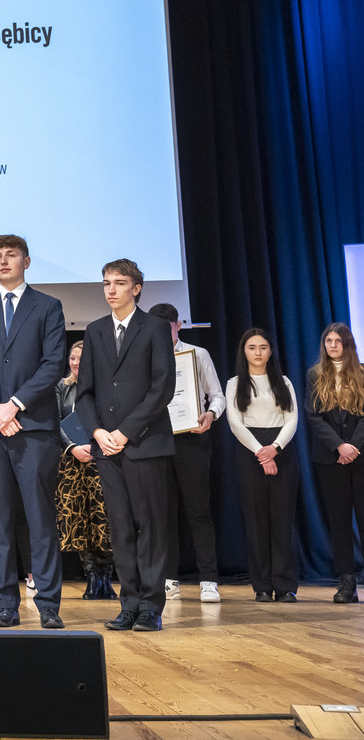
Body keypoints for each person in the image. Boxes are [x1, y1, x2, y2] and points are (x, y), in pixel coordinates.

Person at [0, 234, 67, 629]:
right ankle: (6, 604)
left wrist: (15, 405)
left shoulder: (48, 306)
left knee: (40, 517)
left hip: (33, 427)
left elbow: (53, 363)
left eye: (11, 255)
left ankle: (48, 605)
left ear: (27, 261)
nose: (3, 261)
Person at [74, 259, 175, 633]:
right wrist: (98, 432)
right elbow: (85, 392)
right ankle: (129, 603)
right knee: (120, 527)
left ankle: (150, 607)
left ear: (137, 288)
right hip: (106, 446)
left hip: (145, 443)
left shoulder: (155, 328)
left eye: (119, 282)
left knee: (150, 526)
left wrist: (126, 432)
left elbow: (162, 387)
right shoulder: (95, 330)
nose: (111, 289)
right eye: (106, 283)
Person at [148, 302, 225, 603]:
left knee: (198, 510)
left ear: (178, 325)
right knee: (164, 513)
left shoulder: (197, 354)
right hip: (157, 440)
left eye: (167, 328)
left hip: (192, 439)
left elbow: (217, 395)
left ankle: (209, 579)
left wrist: (211, 415)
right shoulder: (144, 356)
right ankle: (169, 579)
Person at [224, 328, 300, 602]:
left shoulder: (284, 382)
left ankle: (285, 585)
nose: (258, 352)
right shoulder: (234, 383)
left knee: (282, 519)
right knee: (256, 521)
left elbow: (292, 419)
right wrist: (261, 452)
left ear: (270, 351)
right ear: (243, 351)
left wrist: (275, 448)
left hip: (281, 449)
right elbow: (235, 422)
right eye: (252, 347)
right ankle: (262, 586)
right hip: (250, 451)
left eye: (263, 347)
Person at [308, 323, 364, 603]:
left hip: (361, 457)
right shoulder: (315, 375)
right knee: (340, 521)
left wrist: (353, 445)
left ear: (347, 344)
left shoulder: (362, 373)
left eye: (337, 341)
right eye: (328, 340)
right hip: (330, 459)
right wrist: (338, 445)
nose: (332, 345)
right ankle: (347, 582)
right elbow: (313, 416)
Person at [54, 341, 114, 599]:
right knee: (79, 518)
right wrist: (72, 448)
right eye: (73, 358)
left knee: (104, 517)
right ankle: (91, 577)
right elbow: (55, 421)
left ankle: (106, 576)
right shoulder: (61, 386)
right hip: (72, 462)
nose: (76, 363)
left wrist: (96, 445)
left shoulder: (107, 385)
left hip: (103, 457)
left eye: (81, 358)